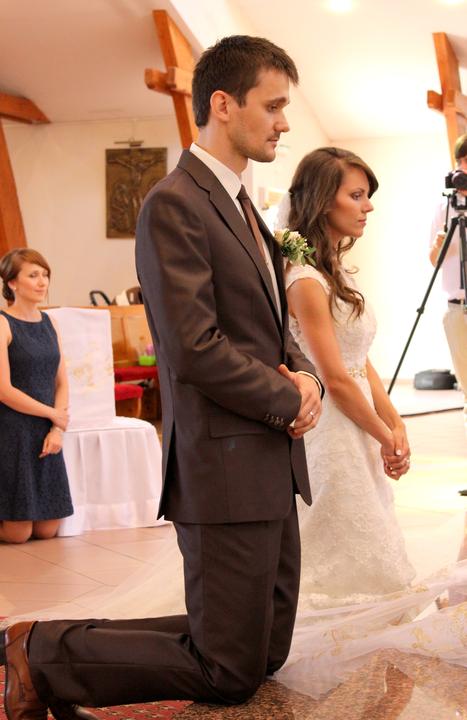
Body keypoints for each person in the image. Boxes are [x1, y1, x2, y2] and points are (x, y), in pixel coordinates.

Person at [2, 35, 323, 717]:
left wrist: (307, 379)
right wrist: (288, 397)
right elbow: (194, 348)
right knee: (229, 671)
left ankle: (42, 645)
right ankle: (41, 653)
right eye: (272, 106)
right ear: (223, 104)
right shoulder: (175, 203)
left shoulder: (242, 205)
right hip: (223, 465)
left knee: (262, 651)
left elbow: (270, 329)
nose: (283, 122)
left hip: (269, 462)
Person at [276, 146, 415, 608]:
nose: (368, 206)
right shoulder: (304, 280)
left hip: (359, 419)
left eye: (367, 195)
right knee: (336, 552)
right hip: (333, 428)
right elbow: (334, 378)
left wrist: (394, 422)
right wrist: (383, 436)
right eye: (356, 196)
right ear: (322, 201)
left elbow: (361, 360)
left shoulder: (335, 273)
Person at [0, 248, 73, 544]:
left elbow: (62, 382)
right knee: (18, 534)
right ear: (12, 283)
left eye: (45, 275)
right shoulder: (3, 323)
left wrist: (56, 428)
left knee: (46, 530)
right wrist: (52, 414)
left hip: (46, 430)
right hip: (12, 428)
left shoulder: (50, 323)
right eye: (33, 275)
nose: (42, 282)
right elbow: (3, 390)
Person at [429, 133, 467, 431]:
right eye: (463, 160)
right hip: (456, 307)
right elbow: (434, 260)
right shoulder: (446, 208)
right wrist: (439, 244)